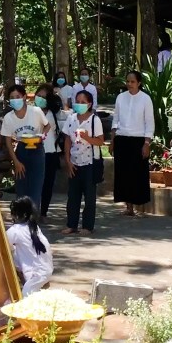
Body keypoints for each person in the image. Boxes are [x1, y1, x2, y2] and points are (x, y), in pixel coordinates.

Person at [110, 70, 154, 216]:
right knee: (123, 174)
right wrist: (112, 139)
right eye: (128, 81)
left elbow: (149, 122)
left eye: (133, 82)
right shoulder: (120, 98)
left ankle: (138, 205)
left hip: (138, 140)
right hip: (122, 139)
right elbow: (115, 119)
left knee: (137, 173)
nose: (129, 84)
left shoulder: (145, 99)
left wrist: (147, 143)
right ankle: (128, 206)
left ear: (139, 83)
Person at [1, 85, 50, 214]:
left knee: (35, 189)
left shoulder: (36, 112)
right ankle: (20, 219)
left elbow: (47, 125)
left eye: (17, 97)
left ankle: (33, 222)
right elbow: (8, 141)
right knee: (21, 189)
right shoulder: (8, 118)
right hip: (21, 150)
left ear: (24, 97)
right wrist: (16, 162)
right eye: (11, 98)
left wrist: (42, 136)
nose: (15, 100)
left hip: (37, 150)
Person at [62, 91, 104, 235]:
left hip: (89, 162)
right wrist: (67, 160)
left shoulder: (94, 120)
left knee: (89, 196)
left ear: (89, 104)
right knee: (73, 196)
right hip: (74, 161)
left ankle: (87, 226)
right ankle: (71, 224)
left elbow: (100, 141)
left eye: (83, 102)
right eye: (77, 101)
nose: (79, 104)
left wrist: (87, 137)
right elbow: (67, 139)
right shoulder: (71, 118)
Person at [7, 197, 53, 296]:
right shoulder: (34, 227)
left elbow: (1, 244)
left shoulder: (16, 230)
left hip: (36, 274)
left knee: (26, 300)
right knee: (14, 249)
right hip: (46, 270)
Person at [35, 84, 67, 220]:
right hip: (34, 151)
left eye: (44, 97)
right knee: (35, 182)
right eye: (39, 96)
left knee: (47, 183)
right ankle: (33, 210)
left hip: (50, 152)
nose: (41, 99)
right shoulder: (30, 111)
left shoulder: (54, 113)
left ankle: (43, 212)